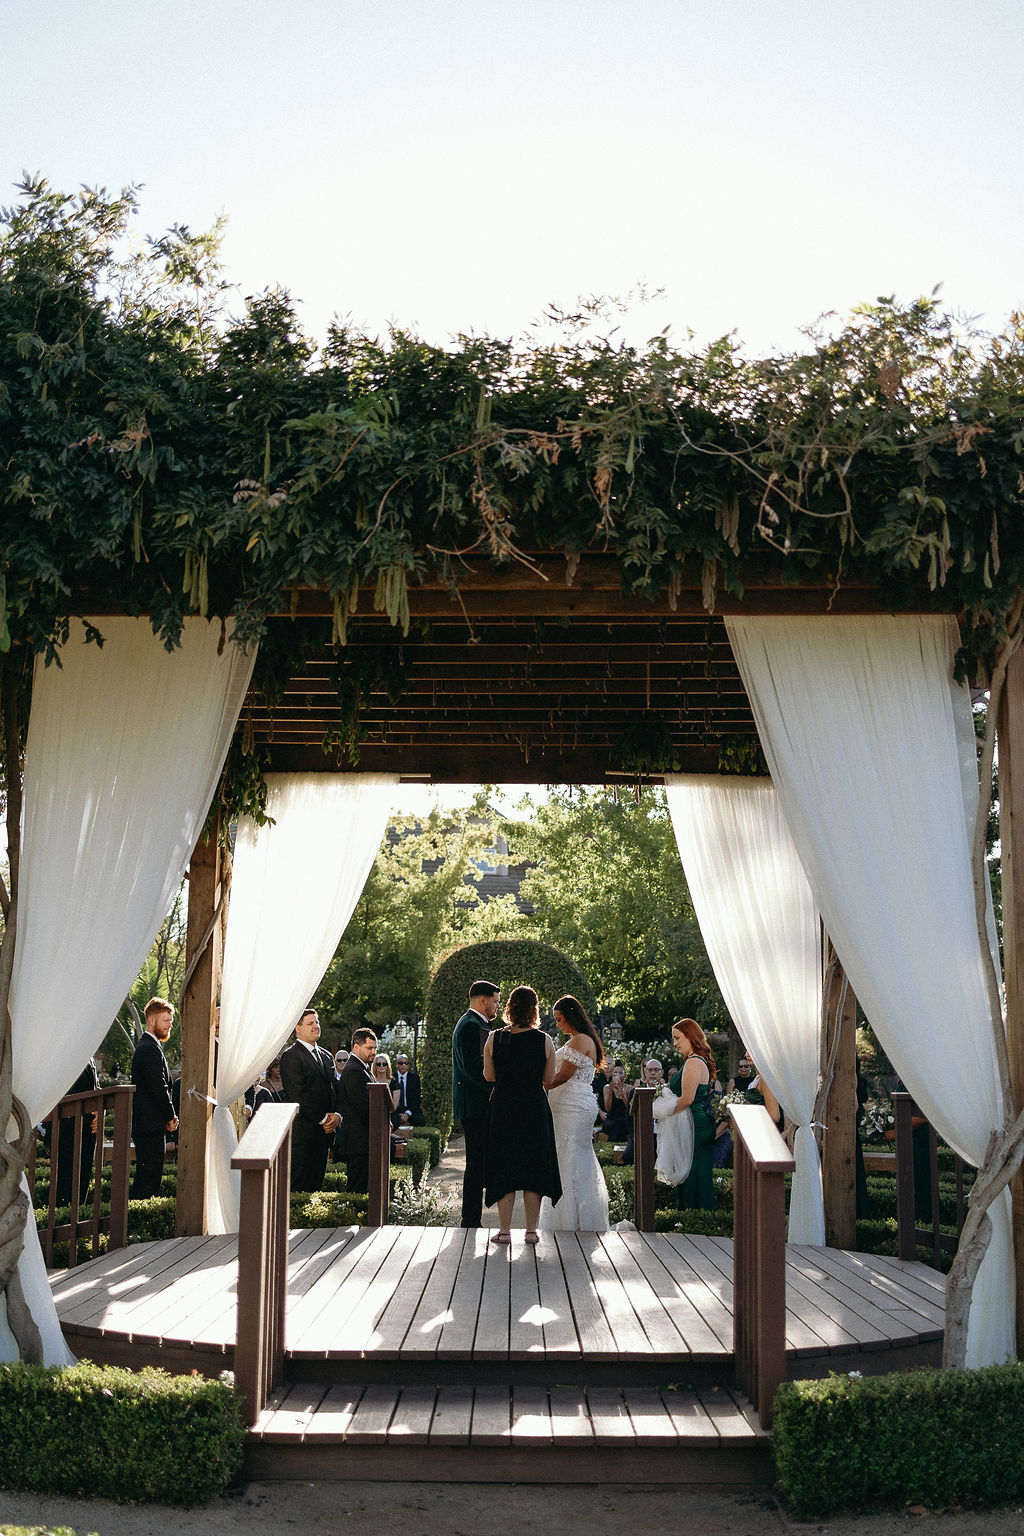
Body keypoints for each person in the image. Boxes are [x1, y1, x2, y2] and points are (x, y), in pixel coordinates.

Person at [483, 984, 561, 1243]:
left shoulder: (495, 1037)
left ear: (509, 1008)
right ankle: (530, 1231)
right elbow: (548, 1078)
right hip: (533, 1108)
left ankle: (504, 1231)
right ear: (534, 1010)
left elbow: (489, 1076)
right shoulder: (544, 1040)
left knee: (505, 1168)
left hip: (504, 1107)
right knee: (532, 1170)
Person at [539, 995, 608, 1232]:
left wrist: (535, 1086)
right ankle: (573, 1217)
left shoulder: (580, 1040)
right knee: (569, 1156)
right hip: (571, 1106)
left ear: (571, 1016)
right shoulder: (580, 1039)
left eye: (559, 1019)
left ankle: (571, 1220)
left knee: (569, 1158)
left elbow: (562, 1076)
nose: (558, 1024)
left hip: (573, 1107)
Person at [452, 979, 500, 1229]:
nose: (497, 1006)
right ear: (483, 1000)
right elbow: (474, 1068)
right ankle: (470, 1221)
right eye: (495, 1001)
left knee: (478, 1163)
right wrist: (496, 1089)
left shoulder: (475, 1023)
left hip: (477, 1105)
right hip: (476, 1106)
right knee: (475, 1164)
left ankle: (472, 1219)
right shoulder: (471, 1025)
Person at [279, 1008, 341, 1193]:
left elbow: (334, 1089)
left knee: (316, 1187)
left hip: (324, 1135)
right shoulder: (291, 1056)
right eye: (310, 1023)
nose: (316, 1026)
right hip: (303, 1134)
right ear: (298, 1029)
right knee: (299, 1187)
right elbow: (298, 1095)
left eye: (317, 1022)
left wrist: (337, 1116)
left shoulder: (326, 1055)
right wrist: (324, 1119)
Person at [664, 1017, 717, 1211]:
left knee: (693, 1173)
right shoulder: (693, 1061)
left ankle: (695, 1219)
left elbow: (687, 1099)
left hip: (694, 1124)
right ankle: (695, 1219)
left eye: (678, 1038)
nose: (675, 1043)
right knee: (691, 1170)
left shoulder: (694, 1062)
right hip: (691, 1122)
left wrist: (661, 1111)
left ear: (690, 1036)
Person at [130, 997, 179, 1199]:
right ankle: (137, 1225)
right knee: (149, 1181)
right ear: (151, 1020)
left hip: (148, 1126)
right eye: (166, 1020)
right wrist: (171, 1116)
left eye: (171, 1021)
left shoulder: (149, 1046)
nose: (170, 1025)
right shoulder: (149, 1048)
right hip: (149, 1126)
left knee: (146, 1178)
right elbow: (159, 1087)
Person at [334, 1028, 378, 1194]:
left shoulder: (363, 1067)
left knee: (362, 1185)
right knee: (357, 1187)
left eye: (375, 1048)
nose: (373, 1052)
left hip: (364, 1138)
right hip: (358, 1139)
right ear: (356, 1048)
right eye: (369, 1048)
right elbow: (363, 1106)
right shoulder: (354, 1070)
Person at [53, 1057, 101, 1205]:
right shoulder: (69, 1054)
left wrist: (99, 1111)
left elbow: (95, 1087)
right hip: (70, 1131)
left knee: (82, 1180)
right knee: (68, 1183)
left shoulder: (89, 1057)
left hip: (86, 1131)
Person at [598, 1064, 633, 1142]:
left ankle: (614, 1143)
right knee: (616, 1124)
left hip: (625, 1118)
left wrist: (623, 1095)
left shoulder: (629, 1088)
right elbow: (608, 1108)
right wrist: (610, 1091)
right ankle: (616, 1144)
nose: (618, 1075)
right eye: (615, 1073)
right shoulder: (607, 1088)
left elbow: (630, 1108)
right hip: (611, 1119)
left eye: (621, 1073)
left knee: (621, 1122)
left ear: (625, 1075)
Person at [392, 1052, 425, 1128]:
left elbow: (417, 1098)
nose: (403, 1065)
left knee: (420, 1120)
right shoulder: (392, 1078)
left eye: (406, 1063)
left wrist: (407, 1113)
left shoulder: (414, 1078)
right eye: (401, 1063)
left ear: (409, 1065)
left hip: (411, 1109)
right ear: (397, 1065)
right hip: (396, 1109)